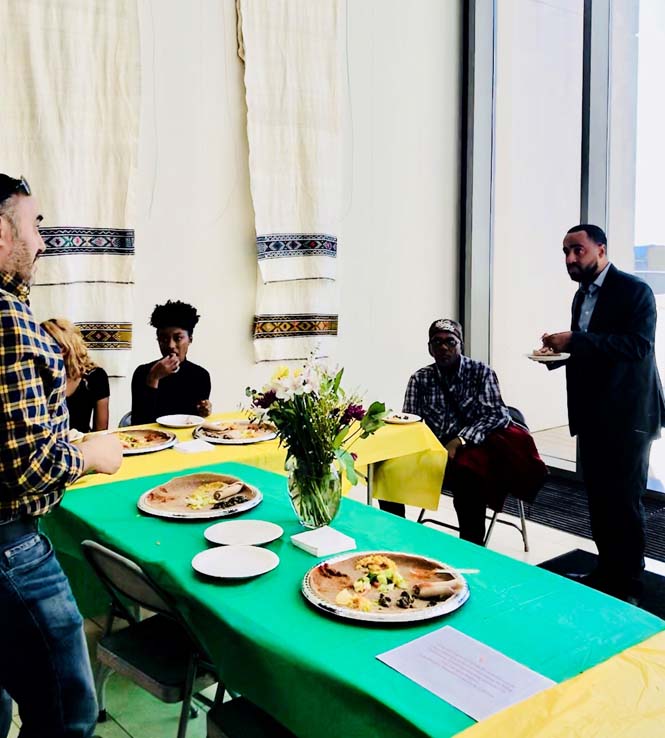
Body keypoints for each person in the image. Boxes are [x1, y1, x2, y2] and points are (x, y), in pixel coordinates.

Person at [0, 173, 123, 737]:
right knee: (68, 710)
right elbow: (30, 464)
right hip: (10, 547)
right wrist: (94, 455)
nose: (42, 242)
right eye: (34, 225)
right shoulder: (7, 318)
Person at [540, 224, 665, 604]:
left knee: (624, 501)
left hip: (629, 415)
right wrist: (557, 356)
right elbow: (593, 351)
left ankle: (628, 584)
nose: (570, 259)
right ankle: (606, 571)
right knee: (598, 498)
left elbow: (638, 346)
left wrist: (575, 341)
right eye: (565, 252)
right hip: (593, 414)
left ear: (601, 249)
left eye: (577, 250)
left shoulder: (635, 291)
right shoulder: (581, 297)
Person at [381, 319, 546, 544]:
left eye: (450, 342)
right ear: (429, 348)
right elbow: (412, 420)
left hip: (474, 446)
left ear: (461, 345)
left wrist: (460, 440)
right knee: (387, 467)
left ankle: (472, 546)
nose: (444, 347)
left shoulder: (481, 372)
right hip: (433, 446)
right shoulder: (420, 378)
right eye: (437, 342)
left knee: (468, 475)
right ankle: (395, 537)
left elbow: (496, 415)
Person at [131, 299, 212, 424]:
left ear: (190, 339)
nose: (171, 345)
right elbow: (138, 423)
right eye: (163, 339)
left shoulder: (200, 375)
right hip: (153, 440)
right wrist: (153, 378)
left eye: (178, 338)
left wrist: (203, 411)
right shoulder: (143, 372)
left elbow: (195, 422)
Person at [41, 318, 110, 433]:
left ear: (65, 349)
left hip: (81, 445)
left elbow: (100, 430)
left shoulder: (95, 376)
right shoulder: (35, 376)